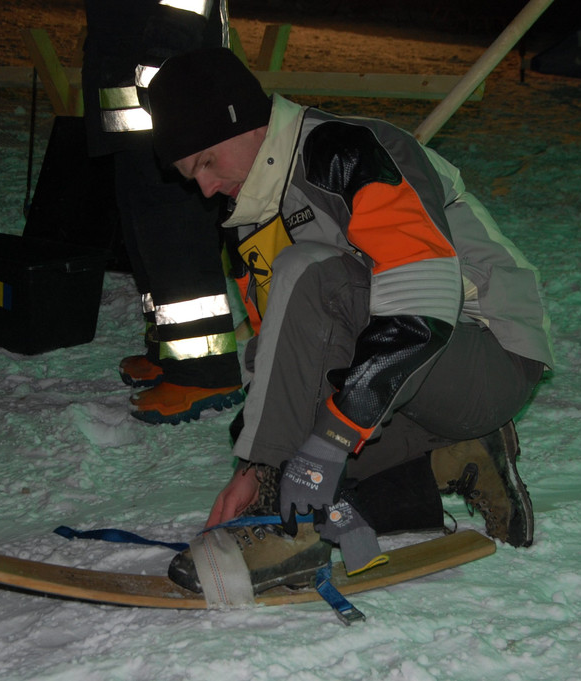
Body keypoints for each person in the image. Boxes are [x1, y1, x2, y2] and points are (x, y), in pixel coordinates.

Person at [144, 47, 554, 592]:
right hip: (415, 388)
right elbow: (282, 356)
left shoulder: (348, 151)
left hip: (486, 359)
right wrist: (258, 467)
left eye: (206, 162)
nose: (205, 188)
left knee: (312, 278)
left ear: (244, 122)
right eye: (189, 175)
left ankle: (292, 534)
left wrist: (327, 442)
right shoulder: (251, 219)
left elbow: (422, 305)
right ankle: (462, 455)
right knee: (302, 460)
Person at [82, 0, 244, 425]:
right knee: (148, 242)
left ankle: (205, 372)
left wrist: (159, 75)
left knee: (176, 239)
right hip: (137, 113)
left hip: (167, 103)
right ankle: (169, 351)